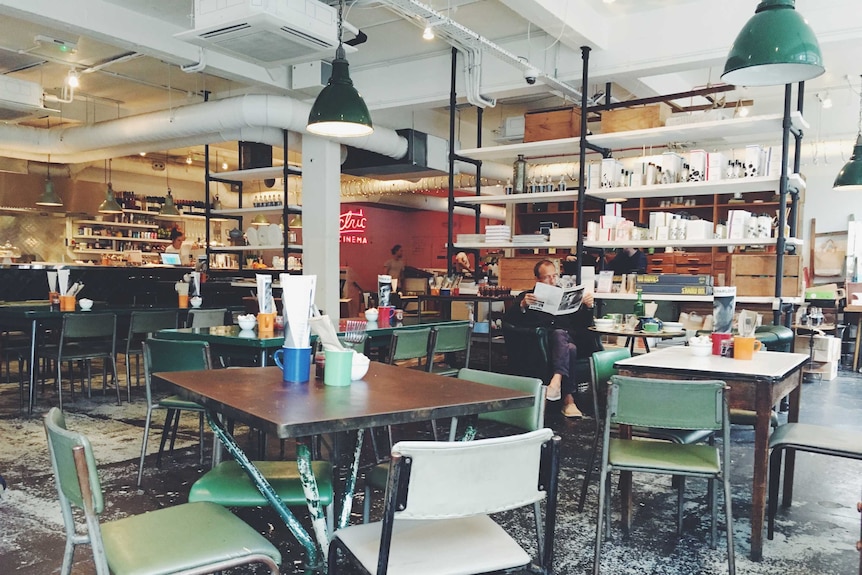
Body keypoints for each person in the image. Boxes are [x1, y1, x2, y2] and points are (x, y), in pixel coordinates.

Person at [504, 259, 599, 418]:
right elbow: (510, 321)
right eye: (547, 277)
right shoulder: (526, 296)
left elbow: (581, 325)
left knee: (562, 335)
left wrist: (588, 308)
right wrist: (522, 306)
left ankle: (555, 383)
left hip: (565, 338)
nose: (553, 280)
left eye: (555, 276)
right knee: (569, 348)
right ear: (537, 279)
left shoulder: (564, 295)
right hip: (540, 344)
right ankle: (568, 400)